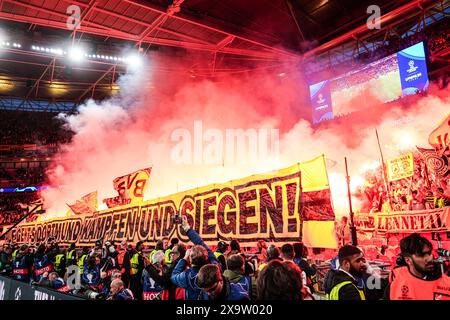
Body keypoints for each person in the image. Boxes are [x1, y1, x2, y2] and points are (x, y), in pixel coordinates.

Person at [171, 216, 220, 300]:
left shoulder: (186, 276)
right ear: (206, 257)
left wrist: (184, 259)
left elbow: (174, 276)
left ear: (190, 260)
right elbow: (200, 242)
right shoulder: (215, 268)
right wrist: (187, 228)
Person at [385, 233, 442, 300]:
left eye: (429, 253)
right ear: (408, 260)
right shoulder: (395, 282)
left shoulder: (441, 280)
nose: (430, 259)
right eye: (422, 255)